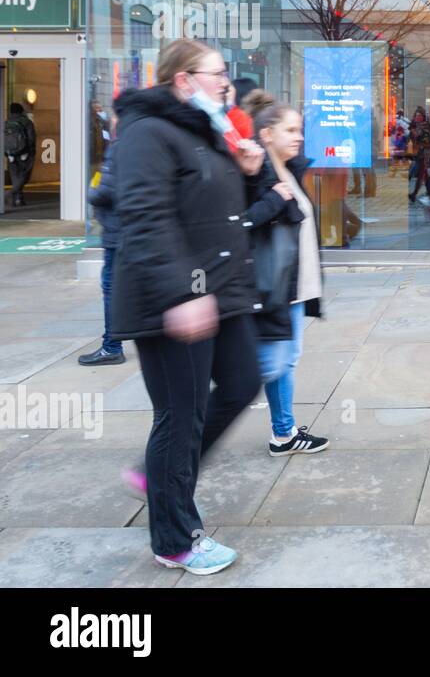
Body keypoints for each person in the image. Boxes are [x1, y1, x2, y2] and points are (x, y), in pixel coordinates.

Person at [110, 39, 266, 575]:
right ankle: (176, 538)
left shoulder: (207, 130)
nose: (226, 81)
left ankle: (161, 480)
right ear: (182, 81)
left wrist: (248, 171)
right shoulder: (147, 134)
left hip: (219, 292)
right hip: (170, 299)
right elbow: (145, 218)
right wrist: (181, 295)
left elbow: (213, 211)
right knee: (181, 416)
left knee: (244, 380)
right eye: (216, 73)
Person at [242, 91, 330, 456]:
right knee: (273, 363)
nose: (299, 137)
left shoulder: (287, 169)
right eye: (290, 130)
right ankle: (277, 430)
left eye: (300, 130)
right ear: (266, 134)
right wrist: (273, 201)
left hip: (293, 286)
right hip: (274, 287)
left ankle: (284, 432)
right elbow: (239, 224)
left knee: (283, 361)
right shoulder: (256, 176)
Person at [80, 115, 125, 366]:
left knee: (111, 289)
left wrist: (92, 190)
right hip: (131, 231)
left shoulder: (119, 147)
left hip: (116, 232)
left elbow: (105, 191)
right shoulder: (143, 145)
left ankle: (111, 346)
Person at [4, 102, 37, 208]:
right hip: (25, 152)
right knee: (25, 176)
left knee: (15, 176)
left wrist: (6, 152)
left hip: (11, 154)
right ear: (21, 110)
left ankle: (18, 199)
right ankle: (10, 193)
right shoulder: (26, 122)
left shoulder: (6, 122)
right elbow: (31, 138)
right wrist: (31, 150)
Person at [407, 106, 430, 203]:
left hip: (425, 153)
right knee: (423, 174)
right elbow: (411, 138)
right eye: (416, 116)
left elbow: (420, 136)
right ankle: (427, 193)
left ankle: (416, 193)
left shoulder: (425, 126)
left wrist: (414, 130)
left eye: (419, 116)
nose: (417, 117)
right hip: (418, 153)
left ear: (423, 117)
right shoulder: (414, 125)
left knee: (422, 173)